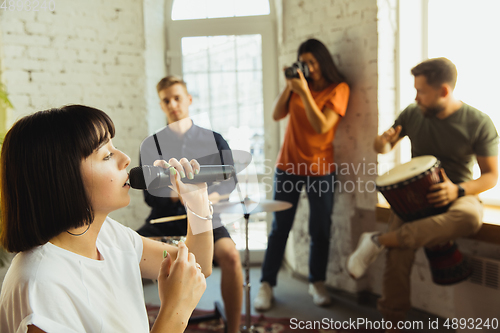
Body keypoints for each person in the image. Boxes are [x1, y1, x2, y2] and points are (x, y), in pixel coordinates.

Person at [0, 105, 214, 333]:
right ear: (64, 179)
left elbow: (197, 264)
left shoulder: (109, 236)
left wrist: (197, 201)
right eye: (107, 155)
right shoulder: (40, 286)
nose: (126, 159)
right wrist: (175, 312)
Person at [347, 57, 498, 330]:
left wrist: (457, 190)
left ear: (443, 91)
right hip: (414, 196)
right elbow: (383, 146)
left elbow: (491, 176)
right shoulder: (413, 113)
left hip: (459, 192)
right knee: (398, 257)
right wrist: (381, 142)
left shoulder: (478, 121)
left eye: (421, 91)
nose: (415, 97)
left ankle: (380, 239)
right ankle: (392, 323)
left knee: (469, 219)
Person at [136, 76, 243, 333]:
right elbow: (150, 196)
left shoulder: (214, 139)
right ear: (161, 105)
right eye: (166, 100)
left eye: (177, 98)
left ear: (189, 100)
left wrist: (200, 199)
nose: (173, 104)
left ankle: (235, 329)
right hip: (164, 218)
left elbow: (229, 184)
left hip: (206, 216)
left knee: (231, 256)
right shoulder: (152, 145)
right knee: (124, 256)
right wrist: (183, 195)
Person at [254, 38, 350, 310]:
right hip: (289, 166)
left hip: (321, 170)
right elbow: (276, 114)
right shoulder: (297, 87)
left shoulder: (338, 89)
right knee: (279, 227)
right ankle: (266, 284)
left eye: (312, 62)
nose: (308, 67)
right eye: (304, 62)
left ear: (323, 61)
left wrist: (304, 92)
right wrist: (290, 86)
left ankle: (316, 281)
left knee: (319, 229)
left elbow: (322, 126)